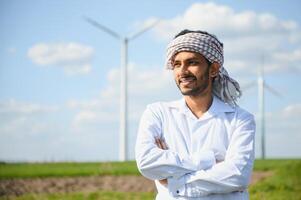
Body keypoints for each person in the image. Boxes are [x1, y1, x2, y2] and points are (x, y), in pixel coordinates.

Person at [135, 29, 255, 200]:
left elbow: (237, 175)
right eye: (177, 64)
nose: (182, 71)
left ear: (213, 69)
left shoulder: (240, 119)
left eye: (192, 62)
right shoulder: (157, 113)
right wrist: (208, 160)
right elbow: (147, 163)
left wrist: (174, 183)